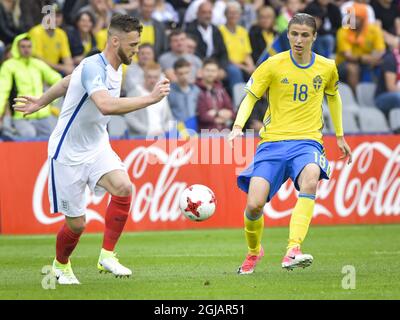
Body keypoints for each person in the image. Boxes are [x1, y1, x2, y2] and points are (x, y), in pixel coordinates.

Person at [13, 14, 170, 285]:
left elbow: (66, 82)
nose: (137, 50)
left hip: (97, 145)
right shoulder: (92, 67)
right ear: (115, 40)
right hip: (68, 153)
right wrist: (150, 99)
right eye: (133, 44)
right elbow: (106, 105)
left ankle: (107, 255)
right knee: (78, 224)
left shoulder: (117, 66)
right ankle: (60, 266)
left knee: (124, 187)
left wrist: (41, 100)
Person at [227, 13, 352, 274]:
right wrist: (238, 127)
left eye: (305, 35)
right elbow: (250, 97)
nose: (298, 40)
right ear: (288, 35)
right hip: (272, 144)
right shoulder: (272, 64)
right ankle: (253, 252)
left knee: (310, 177)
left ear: (314, 37)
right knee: (254, 205)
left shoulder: (327, 66)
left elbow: (334, 98)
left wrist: (339, 136)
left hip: (307, 142)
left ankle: (292, 249)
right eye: (294, 34)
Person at [0, 34, 61, 138]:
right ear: (16, 47)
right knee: (29, 136)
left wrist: (51, 100)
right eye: (23, 46)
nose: (26, 49)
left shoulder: (37, 64)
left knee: (53, 138)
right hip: (21, 114)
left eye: (29, 46)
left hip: (43, 113)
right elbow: (2, 90)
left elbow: (58, 80)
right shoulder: (9, 65)